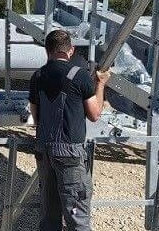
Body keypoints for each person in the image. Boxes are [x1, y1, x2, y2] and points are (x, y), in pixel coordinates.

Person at [28, 29, 110, 231]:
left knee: (49, 215)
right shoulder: (79, 75)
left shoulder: (37, 76)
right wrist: (100, 85)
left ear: (47, 51)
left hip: (44, 150)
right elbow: (94, 114)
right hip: (69, 153)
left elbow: (35, 117)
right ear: (71, 50)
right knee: (77, 216)